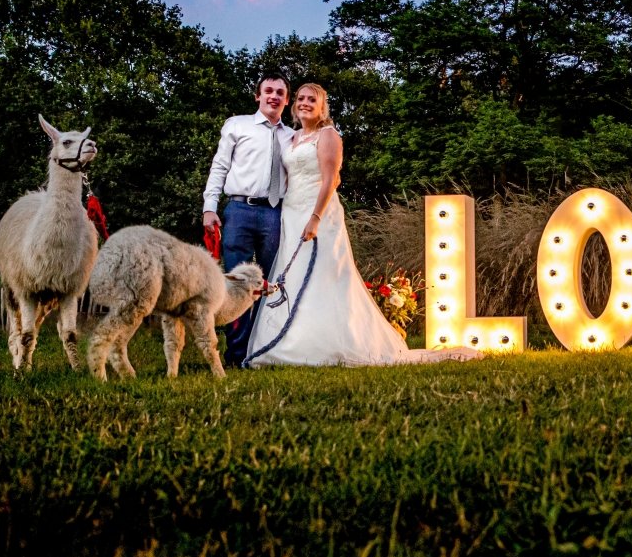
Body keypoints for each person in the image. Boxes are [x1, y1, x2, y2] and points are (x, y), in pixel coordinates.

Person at [246, 83, 482, 367]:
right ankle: (289, 343)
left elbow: (331, 180)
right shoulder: (293, 138)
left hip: (317, 215)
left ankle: (326, 345)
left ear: (322, 107)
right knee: (293, 278)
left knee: (324, 279)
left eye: (312, 99)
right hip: (291, 214)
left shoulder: (328, 135)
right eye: (301, 98)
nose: (305, 103)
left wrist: (316, 217)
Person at [202, 70, 293, 368]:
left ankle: (264, 351)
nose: (274, 96)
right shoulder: (237, 125)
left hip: (275, 214)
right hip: (239, 210)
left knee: (271, 283)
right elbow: (219, 167)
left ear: (286, 100)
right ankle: (236, 355)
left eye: (280, 92)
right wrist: (209, 207)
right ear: (258, 95)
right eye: (268, 90)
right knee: (239, 284)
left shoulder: (292, 136)